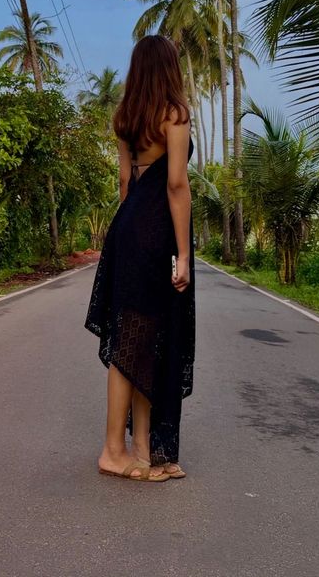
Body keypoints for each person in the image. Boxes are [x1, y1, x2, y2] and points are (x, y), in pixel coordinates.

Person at [84, 34, 196, 482]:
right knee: (136, 339)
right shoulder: (176, 115)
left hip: (128, 229)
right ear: (170, 68)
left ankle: (144, 449)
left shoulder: (127, 118)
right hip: (158, 234)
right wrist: (183, 254)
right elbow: (175, 185)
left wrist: (126, 237)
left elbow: (125, 184)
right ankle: (113, 450)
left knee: (141, 337)